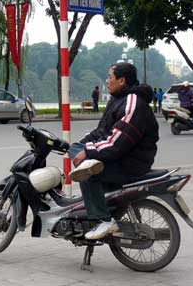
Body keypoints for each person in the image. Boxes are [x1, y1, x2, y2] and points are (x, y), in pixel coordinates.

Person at [68, 62, 159, 240]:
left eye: (110, 77)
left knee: (86, 172)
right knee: (74, 148)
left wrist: (89, 152)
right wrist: (82, 145)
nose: (107, 81)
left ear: (122, 80)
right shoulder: (117, 99)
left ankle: (103, 220)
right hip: (119, 155)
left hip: (131, 161)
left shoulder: (132, 103)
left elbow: (118, 142)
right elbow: (102, 131)